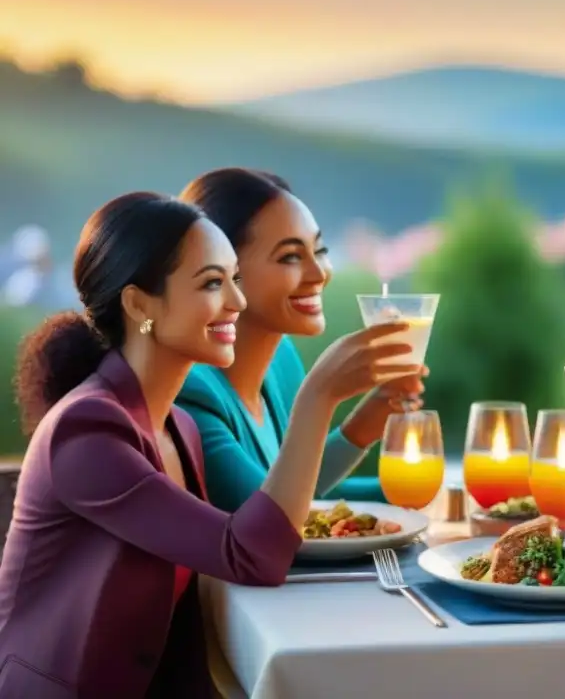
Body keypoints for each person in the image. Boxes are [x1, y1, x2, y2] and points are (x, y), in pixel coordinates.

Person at [0, 193, 412, 698]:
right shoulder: (86, 432)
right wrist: (318, 399)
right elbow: (251, 555)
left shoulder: (176, 425)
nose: (238, 302)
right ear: (138, 305)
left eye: (235, 279)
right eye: (213, 283)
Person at [176, 168, 425, 511]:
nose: (319, 272)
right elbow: (266, 520)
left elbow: (298, 488)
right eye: (290, 256)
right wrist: (320, 395)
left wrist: (362, 430)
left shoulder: (282, 360)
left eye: (319, 250)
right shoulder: (190, 392)